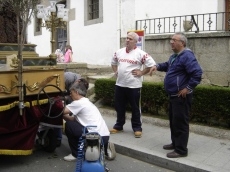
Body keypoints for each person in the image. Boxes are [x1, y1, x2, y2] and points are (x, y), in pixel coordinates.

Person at [149, 32, 203, 158]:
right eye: (171, 40)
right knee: (174, 122)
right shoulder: (175, 56)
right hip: (173, 96)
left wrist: (188, 88)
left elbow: (197, 73)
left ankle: (181, 150)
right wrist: (157, 66)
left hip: (181, 97)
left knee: (180, 123)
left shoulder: (187, 56)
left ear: (182, 43)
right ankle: (175, 143)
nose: (171, 42)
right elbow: (168, 66)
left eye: (174, 40)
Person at [110, 31, 156, 138]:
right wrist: (116, 71)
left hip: (134, 86)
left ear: (135, 41)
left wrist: (141, 72)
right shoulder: (119, 52)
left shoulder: (141, 54)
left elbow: (151, 65)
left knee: (135, 108)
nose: (127, 40)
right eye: (127, 38)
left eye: (130, 39)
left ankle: (137, 128)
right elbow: (113, 62)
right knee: (119, 106)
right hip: (120, 85)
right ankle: (119, 125)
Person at [62, 80, 116, 161]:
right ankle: (105, 147)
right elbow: (74, 119)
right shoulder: (87, 102)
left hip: (94, 137)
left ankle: (75, 154)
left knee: (69, 125)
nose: (70, 95)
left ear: (76, 92)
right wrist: (63, 116)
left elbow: (61, 111)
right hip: (104, 136)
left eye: (71, 92)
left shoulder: (78, 103)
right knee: (72, 123)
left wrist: (58, 104)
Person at [55, 72, 82, 147]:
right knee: (59, 115)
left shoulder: (79, 86)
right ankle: (58, 138)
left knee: (60, 114)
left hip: (69, 98)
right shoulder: (68, 78)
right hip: (64, 95)